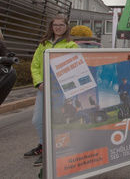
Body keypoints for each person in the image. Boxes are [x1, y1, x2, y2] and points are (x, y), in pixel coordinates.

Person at [24, 14, 78, 166]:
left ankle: (56, 149)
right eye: (55, 25)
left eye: (61, 25)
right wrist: (39, 82)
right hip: (43, 88)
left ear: (66, 27)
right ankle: (43, 146)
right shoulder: (44, 43)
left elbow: (75, 67)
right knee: (38, 119)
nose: (58, 27)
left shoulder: (71, 45)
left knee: (59, 121)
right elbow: (35, 65)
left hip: (61, 91)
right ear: (51, 26)